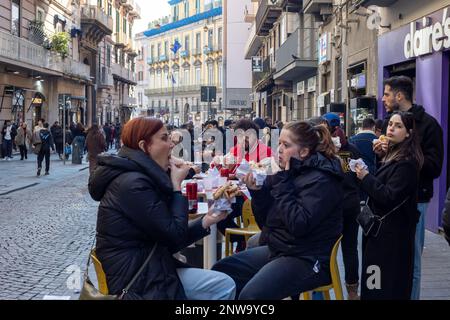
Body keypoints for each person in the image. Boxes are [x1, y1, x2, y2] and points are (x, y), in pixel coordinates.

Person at [88, 117, 236, 300]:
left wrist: (206, 221)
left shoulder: (139, 177)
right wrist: (175, 187)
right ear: (144, 146)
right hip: (136, 281)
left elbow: (167, 235)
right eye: (164, 138)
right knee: (224, 286)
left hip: (148, 265)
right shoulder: (133, 185)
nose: (171, 144)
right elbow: (174, 236)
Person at [212, 121, 343, 300]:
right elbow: (267, 224)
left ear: (304, 152)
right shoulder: (289, 174)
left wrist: (282, 184)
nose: (279, 149)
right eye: (279, 143)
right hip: (282, 248)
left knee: (251, 296)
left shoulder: (322, 180)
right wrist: (258, 193)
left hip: (308, 257)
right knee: (222, 273)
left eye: (286, 145)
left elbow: (299, 225)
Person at [381, 76, 444, 300]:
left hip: (416, 199)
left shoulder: (429, 125)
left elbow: (435, 167)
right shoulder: (387, 123)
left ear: (399, 96)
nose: (383, 98)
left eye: (387, 94)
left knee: (412, 262)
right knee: (390, 259)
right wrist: (384, 152)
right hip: (389, 200)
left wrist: (406, 153)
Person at [355, 111, 424, 300]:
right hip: (379, 235)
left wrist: (365, 177)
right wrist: (379, 158)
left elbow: (387, 196)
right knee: (373, 282)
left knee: (381, 286)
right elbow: (385, 184)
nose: (391, 128)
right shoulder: (392, 155)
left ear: (408, 133)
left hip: (390, 239)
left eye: (398, 126)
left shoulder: (407, 164)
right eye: (390, 124)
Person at [324, 120, 362, 300]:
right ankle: (352, 291)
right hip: (351, 204)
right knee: (350, 247)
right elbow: (358, 175)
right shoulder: (352, 149)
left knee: (326, 247)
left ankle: (321, 286)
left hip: (334, 206)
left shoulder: (325, 153)